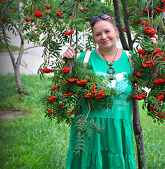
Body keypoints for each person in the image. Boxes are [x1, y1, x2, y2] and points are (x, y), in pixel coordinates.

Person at [63, 13, 157, 169]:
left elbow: (152, 81)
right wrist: (67, 65)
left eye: (107, 31)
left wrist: (154, 54)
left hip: (118, 129)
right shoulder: (84, 59)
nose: (103, 36)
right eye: (98, 34)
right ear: (93, 37)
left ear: (116, 32)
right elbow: (68, 87)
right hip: (89, 129)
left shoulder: (131, 59)